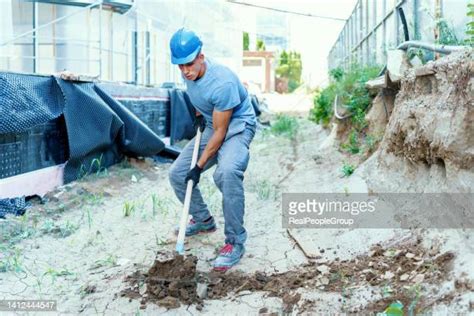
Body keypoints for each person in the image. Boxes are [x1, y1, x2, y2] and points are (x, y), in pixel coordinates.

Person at [168, 28, 257, 271]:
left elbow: (220, 133)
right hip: (213, 122)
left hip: (237, 127)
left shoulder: (222, 82)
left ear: (201, 57)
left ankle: (235, 242)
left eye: (188, 64)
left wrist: (198, 167)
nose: (185, 70)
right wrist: (198, 114)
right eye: (180, 66)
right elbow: (199, 97)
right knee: (177, 174)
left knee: (226, 173)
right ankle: (204, 219)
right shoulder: (189, 73)